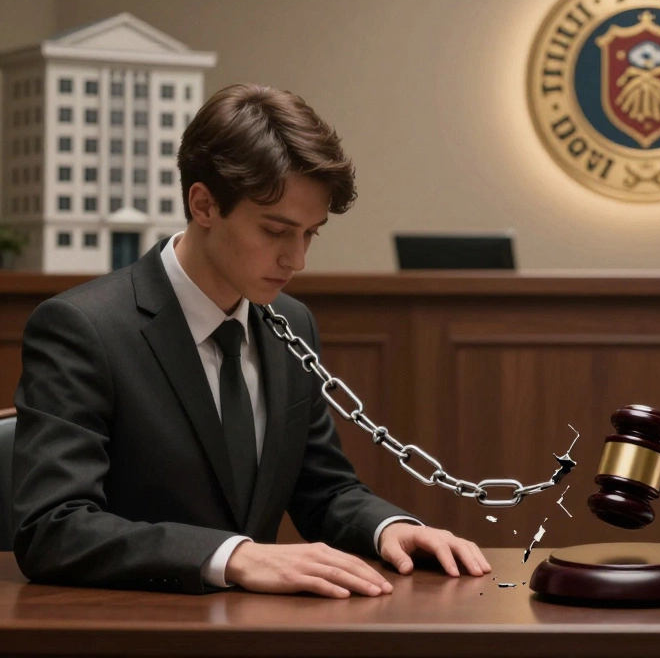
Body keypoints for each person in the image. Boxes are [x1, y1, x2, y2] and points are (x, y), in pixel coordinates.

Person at [12, 84, 491, 596]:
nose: (297, 260)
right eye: (275, 231)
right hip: (131, 629)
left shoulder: (292, 321)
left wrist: (390, 528)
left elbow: (322, 488)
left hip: (258, 632)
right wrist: (232, 556)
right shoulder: (82, 327)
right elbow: (52, 528)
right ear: (203, 204)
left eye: (311, 233)